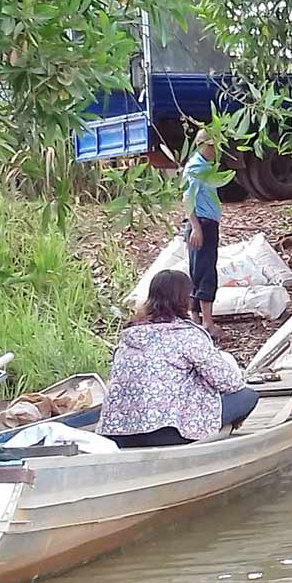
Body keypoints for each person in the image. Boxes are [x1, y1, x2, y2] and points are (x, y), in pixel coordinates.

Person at [99, 270, 260, 447]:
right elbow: (228, 382)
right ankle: (210, 436)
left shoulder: (129, 335)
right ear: (184, 299)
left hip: (117, 433)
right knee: (247, 396)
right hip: (168, 431)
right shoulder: (186, 334)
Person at [181, 133, 223, 336]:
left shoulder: (204, 166)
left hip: (206, 223)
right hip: (202, 225)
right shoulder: (197, 168)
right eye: (212, 146)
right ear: (201, 146)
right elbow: (187, 199)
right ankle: (207, 322)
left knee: (198, 270)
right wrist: (196, 228)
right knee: (206, 272)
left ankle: (195, 317)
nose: (215, 151)